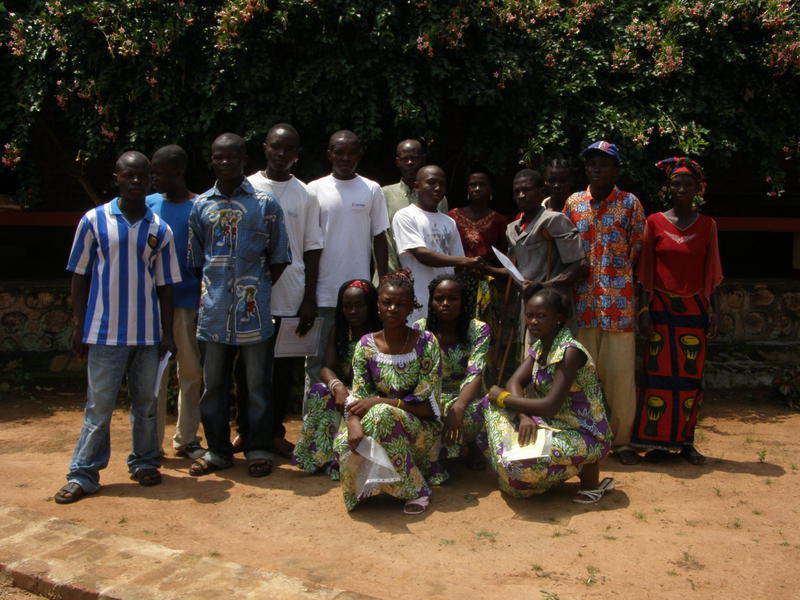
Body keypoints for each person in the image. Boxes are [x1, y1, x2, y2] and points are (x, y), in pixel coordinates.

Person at [54, 151, 180, 504]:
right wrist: (79, 324)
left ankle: (143, 461)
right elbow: (79, 275)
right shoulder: (93, 220)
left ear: (149, 179)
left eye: (142, 175)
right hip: (104, 332)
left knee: (146, 404)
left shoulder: (159, 229)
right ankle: (83, 473)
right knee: (99, 407)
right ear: (118, 178)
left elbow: (166, 284)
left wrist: (167, 333)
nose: (136, 181)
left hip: (147, 334)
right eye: (129, 175)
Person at [187, 133, 290, 478]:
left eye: (233, 156)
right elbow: (196, 260)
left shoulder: (265, 204)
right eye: (219, 156)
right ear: (212, 160)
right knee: (212, 387)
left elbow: (278, 257)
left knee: (258, 386)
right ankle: (217, 451)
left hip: (254, 314)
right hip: (214, 314)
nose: (226, 162)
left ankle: (258, 448)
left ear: (244, 159)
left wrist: (254, 289)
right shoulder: (201, 206)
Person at [480, 284, 614, 503]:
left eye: (541, 316)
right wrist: (524, 416)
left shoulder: (570, 351)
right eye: (529, 315)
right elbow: (515, 380)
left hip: (584, 433)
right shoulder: (541, 347)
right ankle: (525, 472)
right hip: (549, 424)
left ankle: (585, 465)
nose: (533, 322)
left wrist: (504, 398)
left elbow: (550, 405)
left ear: (559, 318)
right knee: (487, 404)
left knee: (518, 468)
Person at [633, 157, 723, 465]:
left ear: (698, 189)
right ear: (667, 187)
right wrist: (643, 310)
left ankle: (686, 441)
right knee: (656, 378)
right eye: (676, 183)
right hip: (660, 309)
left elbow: (714, 272)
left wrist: (716, 311)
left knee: (690, 378)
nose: (681, 189)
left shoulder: (708, 225)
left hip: (693, 311)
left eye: (688, 184)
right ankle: (656, 442)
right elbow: (645, 271)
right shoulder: (654, 222)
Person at [332, 270, 445, 514]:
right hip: (377, 419)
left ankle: (417, 490)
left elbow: (428, 407)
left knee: (382, 413)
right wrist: (352, 421)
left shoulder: (425, 343)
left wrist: (382, 402)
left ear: (411, 308)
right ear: (378, 306)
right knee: (345, 439)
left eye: (400, 304)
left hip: (421, 429)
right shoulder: (365, 345)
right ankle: (372, 487)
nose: (393, 308)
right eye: (387, 302)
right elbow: (359, 397)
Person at [564, 141, 645, 465]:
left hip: (619, 309)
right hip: (581, 308)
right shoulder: (573, 203)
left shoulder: (630, 204)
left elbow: (638, 253)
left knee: (621, 381)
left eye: (603, 163)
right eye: (591, 163)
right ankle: (583, 438)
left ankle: (623, 442)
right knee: (580, 379)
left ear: (616, 169)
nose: (596, 168)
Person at [246, 123, 323, 457]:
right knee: (246, 369)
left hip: (290, 295)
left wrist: (309, 298)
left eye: (287, 150)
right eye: (275, 147)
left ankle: (275, 432)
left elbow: (312, 248)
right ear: (265, 147)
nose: (280, 154)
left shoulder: (305, 194)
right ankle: (246, 431)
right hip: (250, 294)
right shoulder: (247, 187)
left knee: (281, 373)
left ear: (296, 155)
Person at [305, 130, 389, 405]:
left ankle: (355, 422)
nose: (345, 158)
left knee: (361, 360)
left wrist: (382, 281)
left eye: (351, 152)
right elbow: (311, 244)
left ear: (359, 156)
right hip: (325, 293)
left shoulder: (371, 189)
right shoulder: (314, 189)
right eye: (338, 152)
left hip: (360, 295)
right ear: (329, 154)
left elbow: (379, 237)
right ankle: (314, 429)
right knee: (317, 361)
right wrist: (309, 292)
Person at [146, 144, 205, 460]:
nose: (153, 177)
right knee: (154, 376)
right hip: (152, 305)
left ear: (178, 171)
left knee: (191, 372)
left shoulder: (200, 207)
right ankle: (150, 444)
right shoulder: (147, 205)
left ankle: (186, 438)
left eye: (158, 171)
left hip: (186, 303)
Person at [293, 279, 381, 478]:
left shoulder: (381, 334)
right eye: (347, 306)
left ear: (371, 306)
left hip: (371, 395)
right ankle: (321, 456)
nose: (353, 311)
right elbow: (326, 368)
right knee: (321, 391)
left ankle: (342, 458)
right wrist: (338, 387)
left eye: (360, 305)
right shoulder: (340, 330)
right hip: (345, 392)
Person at [413, 274, 490, 469]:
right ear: (431, 302)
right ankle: (444, 452)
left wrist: (458, 407)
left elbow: (476, 372)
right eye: (439, 298)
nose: (445, 303)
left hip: (466, 398)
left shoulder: (478, 330)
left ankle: (472, 445)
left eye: (453, 299)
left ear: (463, 302)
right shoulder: (420, 330)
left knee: (480, 411)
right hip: (432, 397)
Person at [392, 165, 480, 323]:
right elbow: (423, 255)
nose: (438, 188)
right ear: (417, 186)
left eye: (442, 184)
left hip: (445, 305)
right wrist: (466, 261)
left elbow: (457, 266)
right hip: (418, 300)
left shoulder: (449, 222)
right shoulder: (405, 216)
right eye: (431, 182)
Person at [382, 139, 448, 272]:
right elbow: (383, 238)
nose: (410, 163)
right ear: (397, 162)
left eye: (414, 158)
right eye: (405, 159)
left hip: (429, 273)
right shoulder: (385, 194)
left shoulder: (439, 197)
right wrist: (391, 273)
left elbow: (442, 238)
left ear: (423, 160)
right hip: (392, 277)